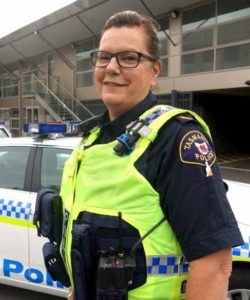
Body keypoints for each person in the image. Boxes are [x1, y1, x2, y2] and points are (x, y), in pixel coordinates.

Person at [59, 10, 243, 300]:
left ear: (155, 71)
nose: (112, 68)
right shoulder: (91, 141)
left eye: (129, 57)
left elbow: (215, 263)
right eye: (104, 56)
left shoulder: (175, 139)